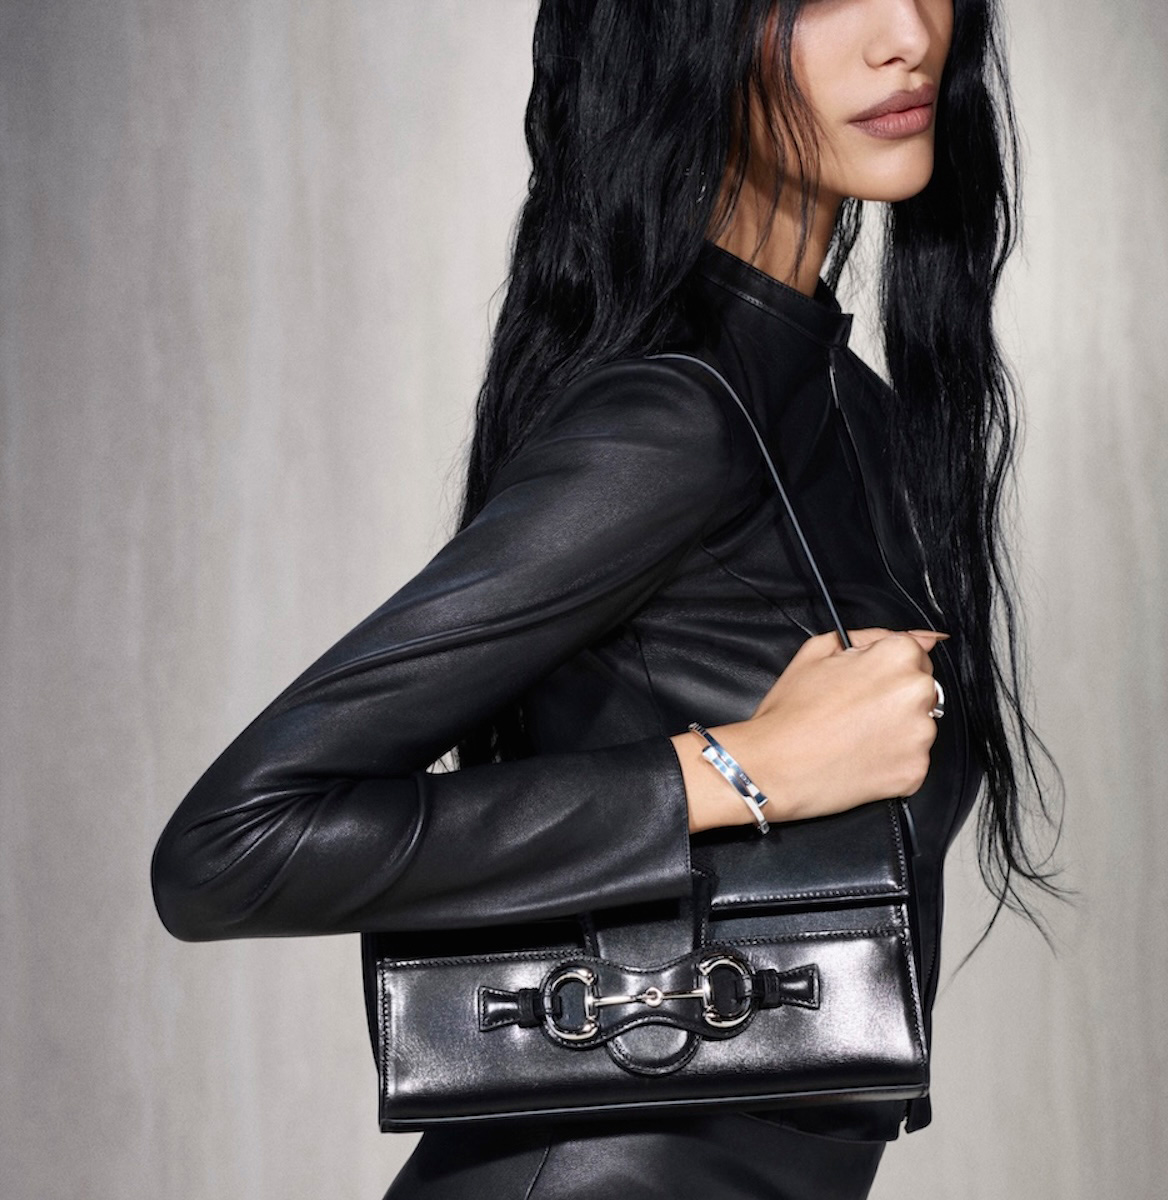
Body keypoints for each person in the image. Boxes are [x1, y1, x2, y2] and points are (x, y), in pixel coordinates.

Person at [151, 1, 1064, 1196]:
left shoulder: (859, 414)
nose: (906, 33)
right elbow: (228, 846)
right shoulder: (675, 421)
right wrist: (741, 769)